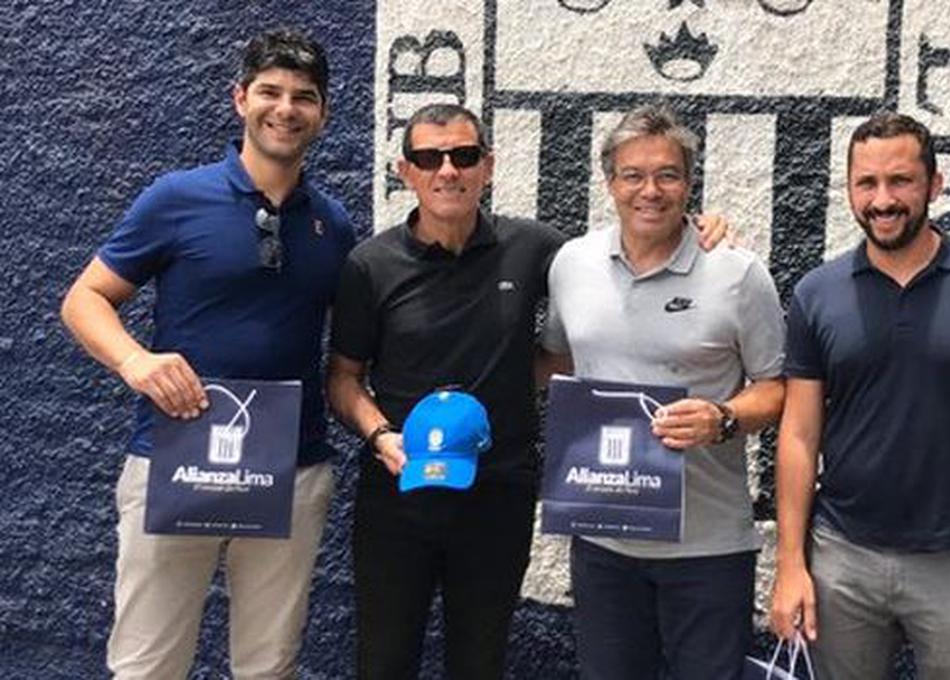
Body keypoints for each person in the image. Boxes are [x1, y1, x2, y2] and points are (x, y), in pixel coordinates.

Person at [327, 102, 729, 680]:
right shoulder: (370, 264)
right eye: (428, 158)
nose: (448, 171)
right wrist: (381, 435)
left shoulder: (538, 249)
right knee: (384, 663)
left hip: (498, 493)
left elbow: (623, 261)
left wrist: (694, 228)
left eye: (464, 156)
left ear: (488, 166)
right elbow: (343, 377)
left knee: (481, 662)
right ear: (404, 171)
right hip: (398, 492)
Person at [59, 29, 354, 679]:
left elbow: (355, 352)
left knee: (268, 665)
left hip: (292, 468)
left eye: (304, 97)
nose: (285, 108)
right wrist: (136, 362)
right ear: (240, 98)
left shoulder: (333, 224)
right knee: (147, 662)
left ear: (323, 114)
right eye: (270, 92)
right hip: (175, 462)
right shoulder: (176, 198)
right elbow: (84, 300)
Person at [769, 111, 950, 679]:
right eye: (867, 183)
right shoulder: (816, 293)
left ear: (934, 184)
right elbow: (799, 433)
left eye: (900, 181)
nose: (883, 200)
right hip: (843, 560)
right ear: (850, 189)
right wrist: (789, 563)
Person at [539, 104, 786, 680]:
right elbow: (557, 361)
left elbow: (777, 389)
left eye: (667, 175)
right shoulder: (572, 264)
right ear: (610, 183)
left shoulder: (737, 273)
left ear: (689, 183)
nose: (649, 190)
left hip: (708, 547)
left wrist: (723, 418)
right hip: (603, 541)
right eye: (633, 175)